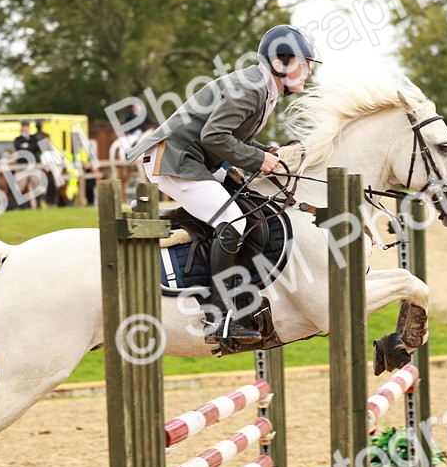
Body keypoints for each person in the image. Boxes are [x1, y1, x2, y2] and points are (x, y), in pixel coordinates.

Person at [126, 24, 319, 343]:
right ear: (279, 63)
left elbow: (232, 135)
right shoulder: (253, 88)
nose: (309, 71)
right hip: (175, 158)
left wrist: (264, 151)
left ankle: (238, 296)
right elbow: (214, 136)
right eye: (304, 63)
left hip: (193, 157)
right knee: (232, 220)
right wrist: (258, 161)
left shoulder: (264, 88)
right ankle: (218, 318)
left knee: (248, 211)